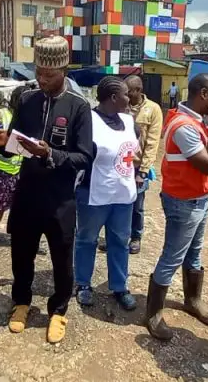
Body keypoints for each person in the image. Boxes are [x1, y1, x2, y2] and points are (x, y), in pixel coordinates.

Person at [0, 35, 93, 344]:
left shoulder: (79, 107)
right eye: (38, 72)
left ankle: (58, 310)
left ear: (64, 70)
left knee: (62, 260)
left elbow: (85, 156)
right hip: (27, 194)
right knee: (21, 254)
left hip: (60, 200)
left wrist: (51, 154)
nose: (41, 79)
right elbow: (13, 143)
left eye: (49, 74)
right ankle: (21, 302)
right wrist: (2, 144)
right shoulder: (27, 100)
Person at [144, 72, 208, 341]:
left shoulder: (194, 115)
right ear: (202, 96)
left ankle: (192, 300)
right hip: (184, 203)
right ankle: (152, 314)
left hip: (199, 199)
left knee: (195, 254)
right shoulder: (185, 127)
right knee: (172, 257)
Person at [74, 76, 140, 311]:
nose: (130, 96)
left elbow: (133, 152)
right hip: (94, 195)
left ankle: (119, 287)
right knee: (86, 240)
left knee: (120, 242)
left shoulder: (129, 121)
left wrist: (139, 172)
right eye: (125, 93)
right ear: (113, 97)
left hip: (123, 196)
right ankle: (82, 284)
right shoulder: (88, 121)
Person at [125, 74, 163, 255]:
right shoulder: (121, 106)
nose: (125, 95)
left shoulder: (153, 110)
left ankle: (135, 237)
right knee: (118, 204)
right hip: (120, 165)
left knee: (136, 206)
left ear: (138, 91)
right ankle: (119, 237)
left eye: (129, 91)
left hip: (137, 167)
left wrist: (144, 171)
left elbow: (153, 142)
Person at [0, 85, 26, 247]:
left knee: (21, 207)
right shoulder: (0, 114)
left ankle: (18, 232)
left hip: (21, 170)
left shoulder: (27, 118)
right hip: (0, 169)